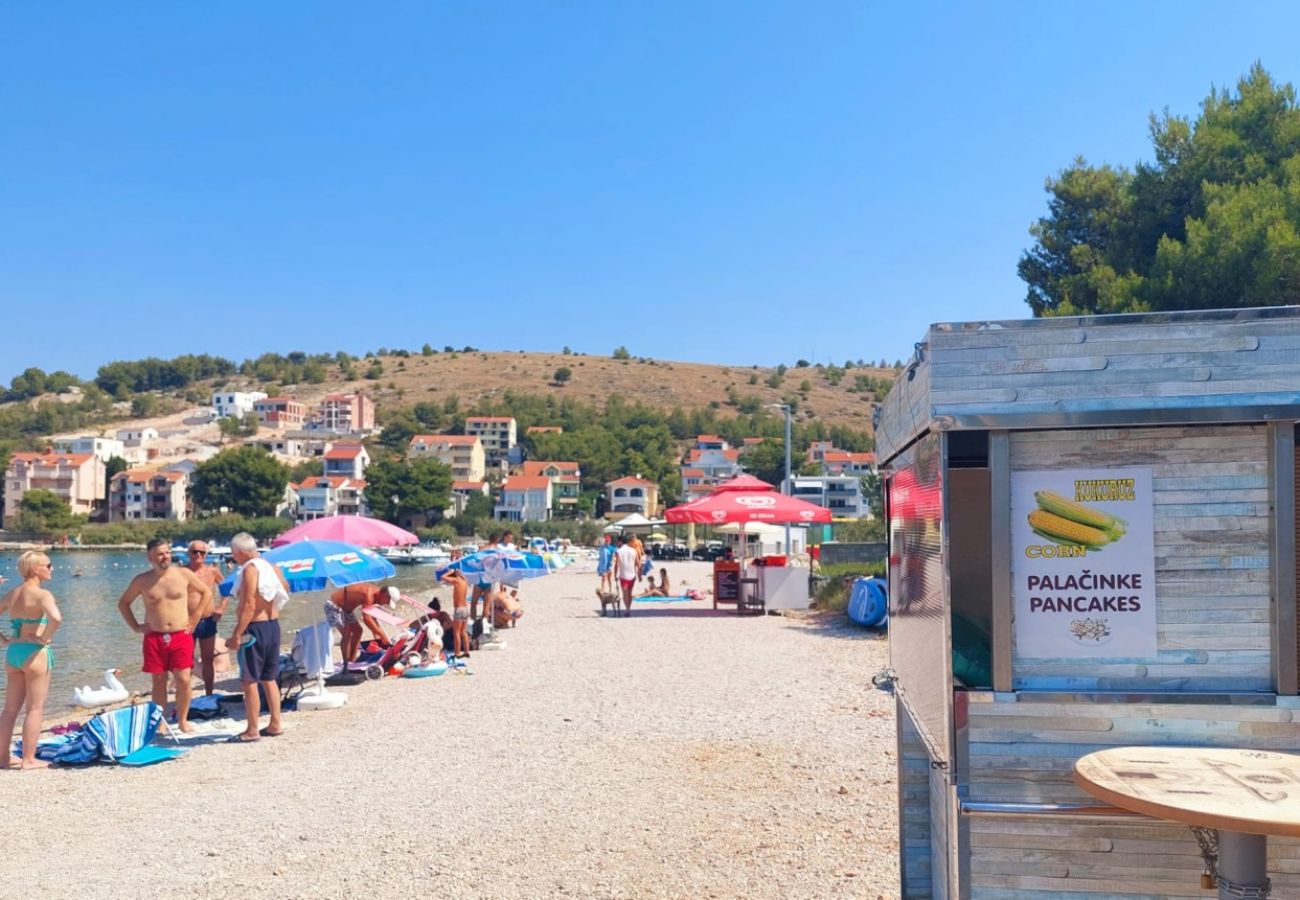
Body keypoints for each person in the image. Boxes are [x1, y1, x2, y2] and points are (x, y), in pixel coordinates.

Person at [116, 539, 212, 733]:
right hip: (155, 636)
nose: (165, 556)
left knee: (184, 678)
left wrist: (195, 617)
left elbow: (206, 593)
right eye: (160, 553)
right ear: (150, 556)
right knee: (158, 680)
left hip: (181, 634)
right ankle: (160, 721)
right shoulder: (142, 580)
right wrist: (135, 626)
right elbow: (123, 603)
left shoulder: (183, 574)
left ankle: (183, 720)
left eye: (167, 552)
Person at [0, 551, 62, 770]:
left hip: (14, 652)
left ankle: (3, 758)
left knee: (9, 710)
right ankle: (29, 759)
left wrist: (4, 640)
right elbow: (56, 618)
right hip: (35, 652)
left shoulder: (12, 593)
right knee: (35, 708)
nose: (51, 569)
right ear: (36, 569)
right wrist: (43, 638)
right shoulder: (42, 594)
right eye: (49, 565)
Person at [226, 532, 289, 742]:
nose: (234, 559)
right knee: (269, 678)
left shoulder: (251, 569)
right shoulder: (272, 568)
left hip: (255, 629)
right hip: (273, 626)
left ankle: (252, 729)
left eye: (234, 555)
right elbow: (285, 591)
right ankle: (275, 723)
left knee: (249, 680)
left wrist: (236, 634)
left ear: (242, 553)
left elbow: (249, 604)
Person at [187, 541, 230, 696]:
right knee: (185, 660)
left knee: (207, 658)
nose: (198, 555)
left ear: (206, 554)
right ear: (188, 553)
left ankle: (209, 693)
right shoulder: (182, 572)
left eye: (202, 552)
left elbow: (227, 589)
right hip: (187, 621)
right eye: (195, 552)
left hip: (207, 620)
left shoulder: (212, 571)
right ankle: (186, 693)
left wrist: (221, 608)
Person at [325, 583, 398, 662]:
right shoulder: (369, 594)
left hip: (346, 610)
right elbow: (366, 619)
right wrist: (381, 635)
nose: (385, 604)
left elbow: (373, 617)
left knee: (358, 631)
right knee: (347, 634)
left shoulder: (377, 594)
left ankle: (352, 660)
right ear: (385, 595)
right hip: (333, 606)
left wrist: (379, 636)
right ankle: (346, 663)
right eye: (387, 602)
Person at [438, 567, 471, 659]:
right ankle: (467, 651)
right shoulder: (464, 581)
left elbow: (442, 577)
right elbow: (463, 577)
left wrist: (449, 572)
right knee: (463, 632)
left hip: (459, 609)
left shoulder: (456, 581)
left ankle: (457, 653)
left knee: (456, 632)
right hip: (465, 609)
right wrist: (459, 573)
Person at [614, 534, 640, 613]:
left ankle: (627, 609)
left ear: (620, 542)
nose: (616, 543)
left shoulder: (618, 551)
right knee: (630, 593)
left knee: (625, 594)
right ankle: (628, 608)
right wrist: (639, 574)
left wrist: (615, 575)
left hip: (623, 575)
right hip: (632, 575)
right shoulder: (633, 550)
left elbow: (617, 564)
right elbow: (638, 563)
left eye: (617, 542)